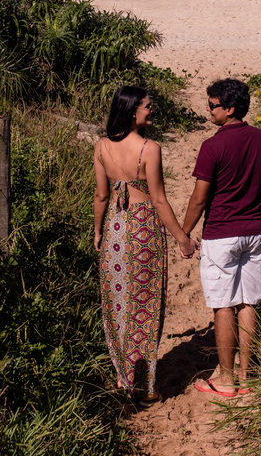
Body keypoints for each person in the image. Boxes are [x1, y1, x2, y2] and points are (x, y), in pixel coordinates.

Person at [94, 86, 197, 408]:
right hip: (142, 231)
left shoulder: (101, 146)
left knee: (117, 305)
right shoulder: (150, 149)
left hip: (114, 228)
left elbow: (101, 196)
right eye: (147, 106)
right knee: (144, 306)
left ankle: (124, 378)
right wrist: (182, 237)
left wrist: (97, 232)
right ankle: (145, 385)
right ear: (132, 110)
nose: (151, 111)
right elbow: (159, 200)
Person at [182, 78, 261, 399]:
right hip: (256, 231)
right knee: (248, 301)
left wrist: (184, 232)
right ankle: (246, 373)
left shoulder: (212, 146)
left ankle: (226, 379)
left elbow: (199, 198)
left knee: (223, 305)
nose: (208, 110)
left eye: (212, 106)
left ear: (230, 109)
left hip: (221, 234)